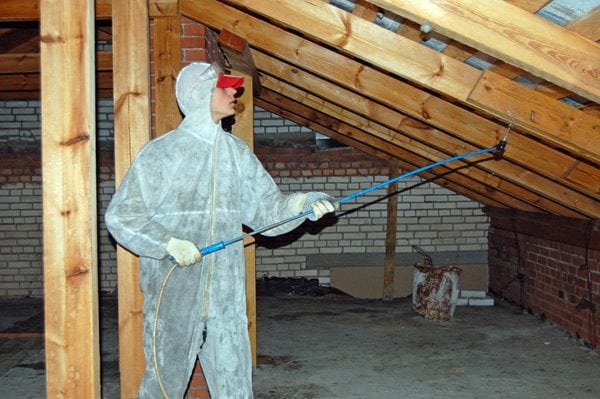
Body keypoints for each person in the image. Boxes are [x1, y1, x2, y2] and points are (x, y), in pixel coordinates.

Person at [105, 62, 337, 399]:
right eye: (224, 87)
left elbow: (267, 211)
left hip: (226, 300)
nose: (234, 92)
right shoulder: (162, 154)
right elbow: (121, 216)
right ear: (199, 94)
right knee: (162, 386)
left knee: (235, 387)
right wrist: (168, 243)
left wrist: (304, 204)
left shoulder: (236, 153)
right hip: (174, 295)